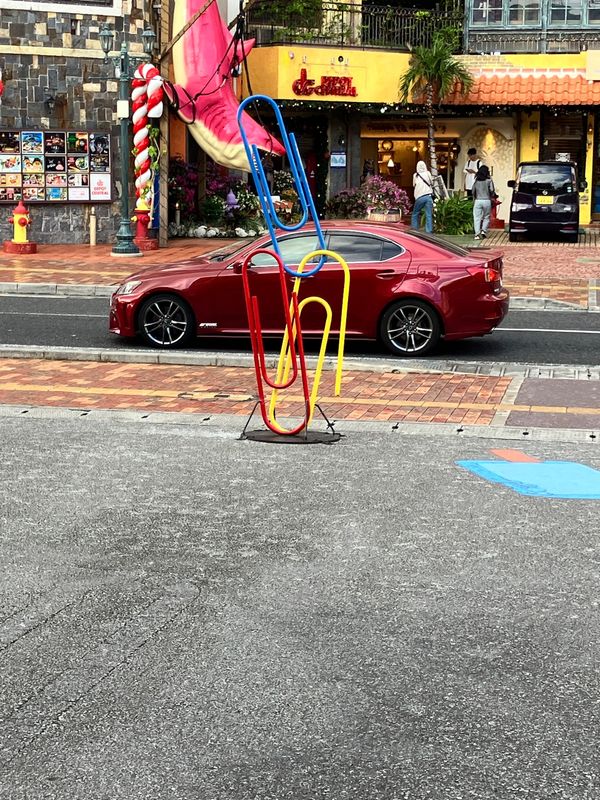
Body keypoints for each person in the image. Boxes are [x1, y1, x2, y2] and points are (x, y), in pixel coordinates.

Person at [471, 164, 496, 240]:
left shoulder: (476, 181)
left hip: (478, 201)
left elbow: (473, 191)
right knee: (486, 217)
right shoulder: (489, 180)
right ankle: (483, 231)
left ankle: (477, 234)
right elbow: (492, 190)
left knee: (477, 218)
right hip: (487, 200)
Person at [411, 160, 434, 234]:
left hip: (419, 197)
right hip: (428, 196)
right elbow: (432, 182)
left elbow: (414, 185)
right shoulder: (428, 173)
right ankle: (429, 231)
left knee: (415, 213)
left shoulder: (415, 175)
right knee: (429, 214)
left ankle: (415, 230)